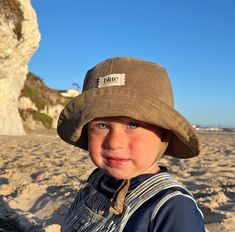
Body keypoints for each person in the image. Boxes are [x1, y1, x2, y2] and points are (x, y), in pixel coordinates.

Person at [57, 57, 205, 231]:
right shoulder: (97, 179)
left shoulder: (172, 207)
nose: (114, 143)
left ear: (165, 133)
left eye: (133, 125)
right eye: (101, 125)